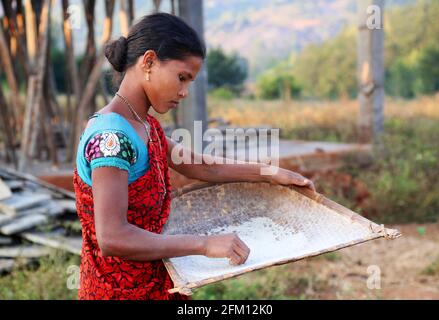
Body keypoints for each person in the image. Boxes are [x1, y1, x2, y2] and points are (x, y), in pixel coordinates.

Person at [73, 12, 315, 300]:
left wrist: (272, 174)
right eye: (182, 78)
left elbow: (203, 167)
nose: (185, 92)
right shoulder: (111, 138)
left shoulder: (145, 125)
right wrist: (204, 244)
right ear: (148, 62)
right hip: (118, 292)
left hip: (160, 283)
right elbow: (113, 237)